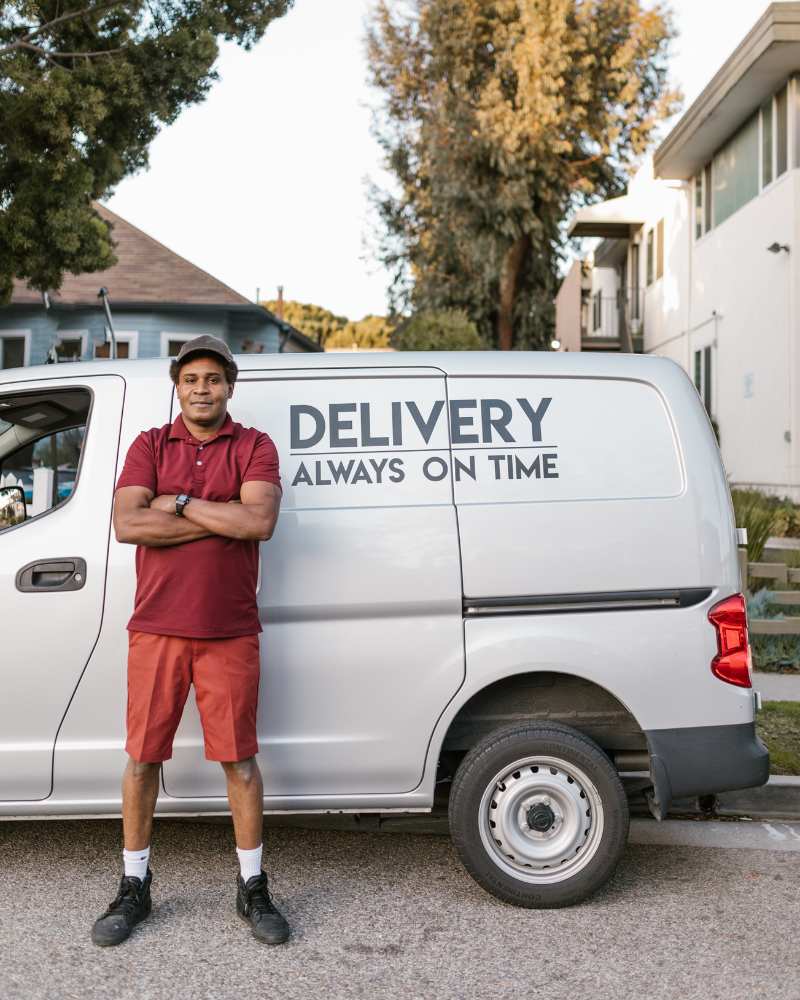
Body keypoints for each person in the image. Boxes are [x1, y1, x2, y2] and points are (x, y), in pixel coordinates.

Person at [91, 335, 289, 947]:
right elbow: (128, 523)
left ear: (230, 385)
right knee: (143, 758)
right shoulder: (149, 444)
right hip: (156, 629)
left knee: (240, 761)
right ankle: (133, 885)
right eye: (190, 379)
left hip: (229, 631)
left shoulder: (255, 446)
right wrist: (212, 511)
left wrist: (174, 506)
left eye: (213, 378)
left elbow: (258, 521)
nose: (201, 388)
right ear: (176, 386)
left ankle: (252, 886)